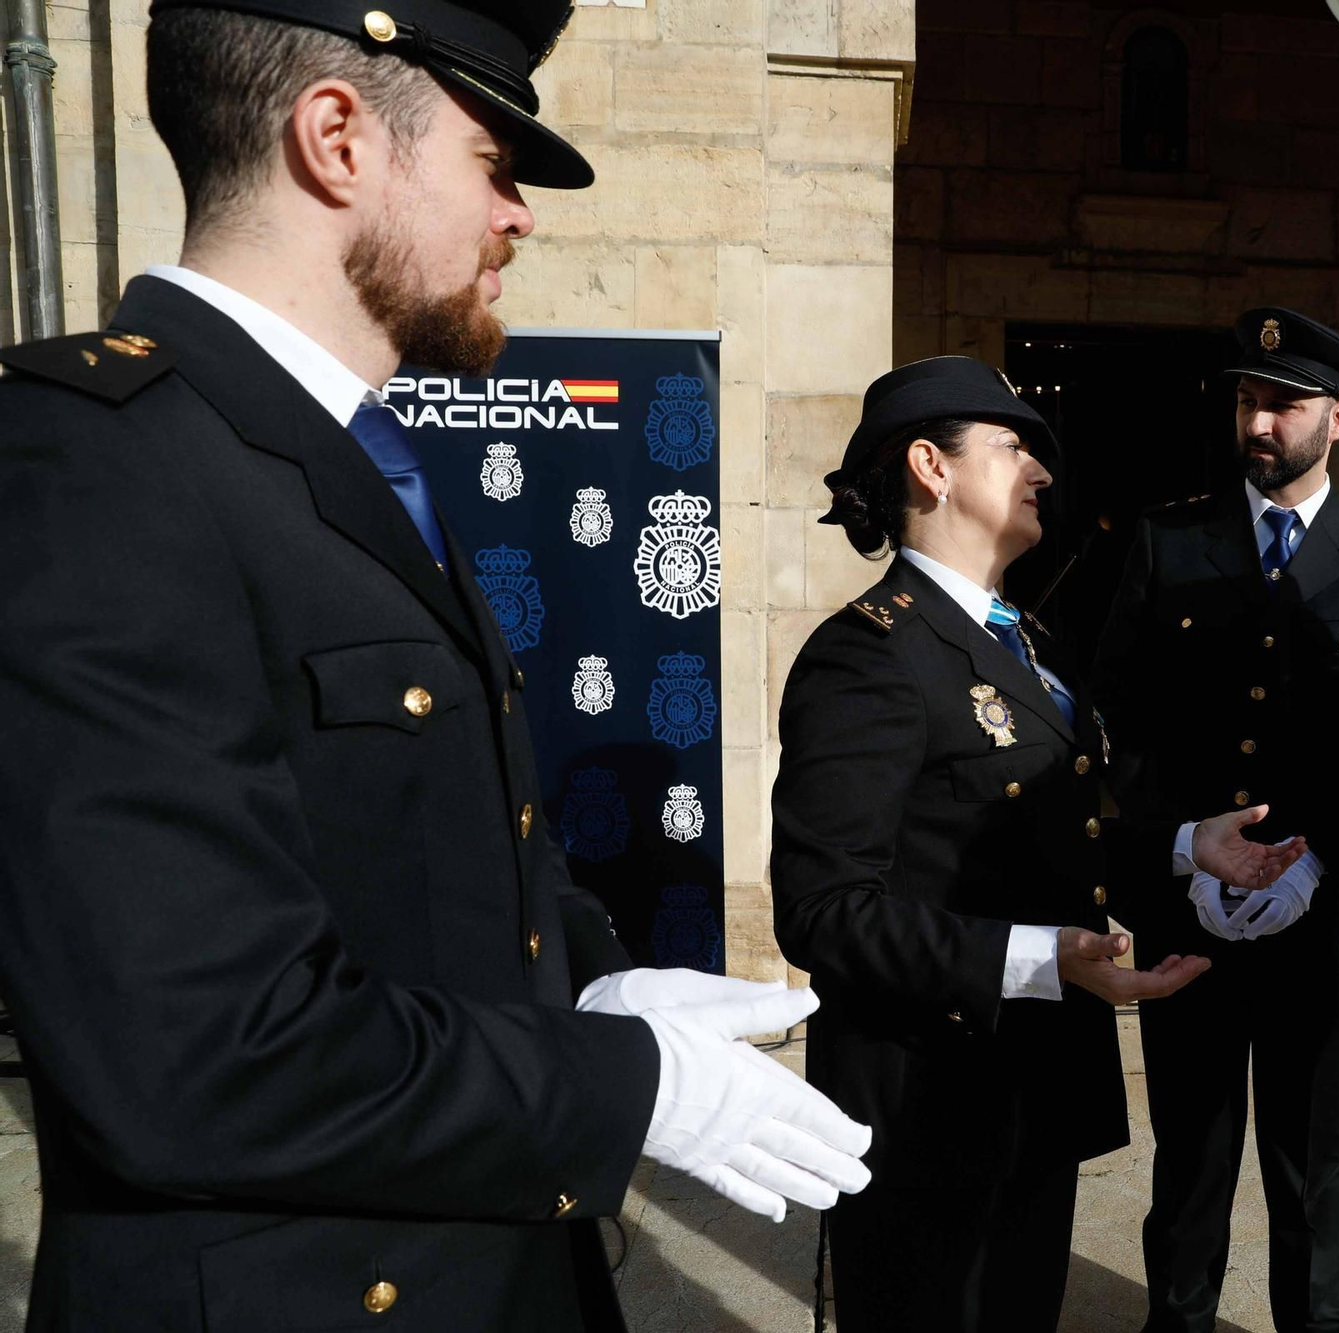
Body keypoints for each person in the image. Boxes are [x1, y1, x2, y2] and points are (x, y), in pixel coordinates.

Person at [0, 5, 870, 1330]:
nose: (519, 215)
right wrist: (631, 1082)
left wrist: (592, 978)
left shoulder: (345, 458)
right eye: (492, 160)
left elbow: (423, 853)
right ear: (337, 140)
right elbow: (193, 1052)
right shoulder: (94, 466)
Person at [771, 355, 1305, 1333]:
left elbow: (1065, 826)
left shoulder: (1029, 643)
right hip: (924, 1109)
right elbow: (821, 911)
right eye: (1014, 447)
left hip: (1030, 1094)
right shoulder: (869, 653)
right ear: (931, 467)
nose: (1042, 472)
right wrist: (1039, 955)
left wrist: (1187, 846)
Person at [1091, 308, 1339, 1333]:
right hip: (1190, 914)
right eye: (1248, 398)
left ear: (1335, 417)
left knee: (1312, 1164)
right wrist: (1187, 848)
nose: (1258, 420)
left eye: (1282, 402)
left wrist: (1317, 864)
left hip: (1319, 918)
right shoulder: (1168, 541)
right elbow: (1116, 709)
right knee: (1191, 1156)